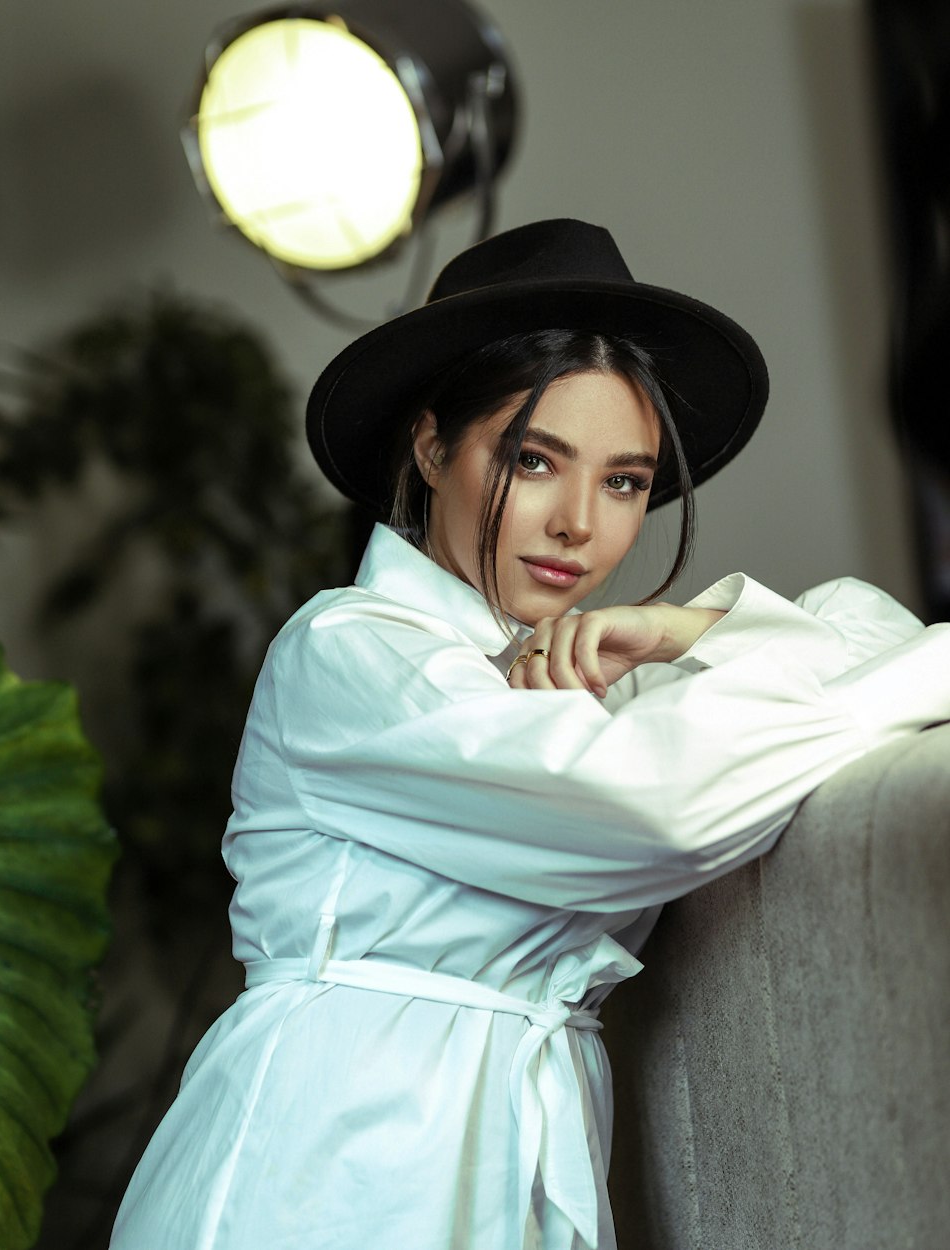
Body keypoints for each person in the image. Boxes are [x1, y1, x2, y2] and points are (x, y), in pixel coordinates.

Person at [109, 219, 950, 1250]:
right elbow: (658, 806)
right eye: (534, 458)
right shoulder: (348, 654)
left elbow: (874, 635)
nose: (577, 523)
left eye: (625, 480)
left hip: (511, 1171)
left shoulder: (592, 685)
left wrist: (686, 624)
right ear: (432, 445)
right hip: (326, 1170)